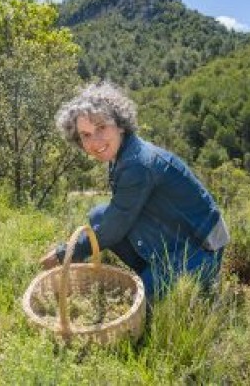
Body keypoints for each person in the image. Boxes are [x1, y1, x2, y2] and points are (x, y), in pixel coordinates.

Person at [40, 81, 229, 300]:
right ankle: (152, 272)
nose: (95, 141)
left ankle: (183, 279)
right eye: (86, 135)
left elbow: (114, 227)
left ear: (120, 124)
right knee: (98, 216)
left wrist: (66, 254)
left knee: (140, 301)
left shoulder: (138, 164)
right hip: (176, 231)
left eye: (101, 127)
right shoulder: (123, 152)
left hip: (203, 250)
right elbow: (117, 217)